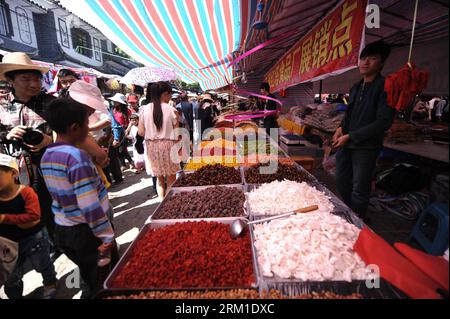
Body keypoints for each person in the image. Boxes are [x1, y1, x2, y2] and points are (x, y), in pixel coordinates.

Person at [41, 97, 116, 298]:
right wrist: (106, 236)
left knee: (90, 276)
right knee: (106, 281)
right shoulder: (76, 157)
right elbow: (89, 205)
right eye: (86, 125)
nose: (89, 129)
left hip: (64, 229)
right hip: (87, 233)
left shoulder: (47, 154)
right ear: (75, 127)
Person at [333, 40, 396, 220]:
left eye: (372, 58)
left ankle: (357, 221)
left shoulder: (385, 87)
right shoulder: (356, 87)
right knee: (341, 179)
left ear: (381, 63)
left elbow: (384, 122)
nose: (365, 62)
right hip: (347, 142)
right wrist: (340, 128)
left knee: (360, 188)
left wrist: (351, 135)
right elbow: (350, 114)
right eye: (363, 58)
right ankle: (352, 214)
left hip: (366, 147)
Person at [0, 52, 56, 244]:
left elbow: (73, 132)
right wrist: (7, 134)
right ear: (10, 80)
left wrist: (50, 140)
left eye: (36, 79)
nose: (34, 84)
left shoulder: (51, 104)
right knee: (29, 208)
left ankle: (57, 242)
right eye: (26, 79)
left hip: (51, 165)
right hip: (18, 169)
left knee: (53, 207)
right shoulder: (2, 106)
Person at [0, 153, 57, 299]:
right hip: (9, 244)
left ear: (13, 173)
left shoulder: (26, 192)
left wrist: (6, 218)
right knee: (12, 274)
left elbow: (34, 216)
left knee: (42, 263)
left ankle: (50, 283)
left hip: (34, 238)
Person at [138, 82, 180, 200]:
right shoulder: (172, 110)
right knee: (171, 180)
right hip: (168, 146)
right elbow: (176, 135)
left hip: (152, 147)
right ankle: (170, 207)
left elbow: (140, 132)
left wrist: (152, 132)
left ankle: (161, 206)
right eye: (170, 94)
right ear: (164, 94)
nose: (170, 97)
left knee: (160, 181)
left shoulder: (144, 109)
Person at [109, 93, 135, 172]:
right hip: (116, 131)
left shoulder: (127, 111)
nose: (114, 102)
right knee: (118, 149)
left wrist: (128, 129)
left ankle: (130, 162)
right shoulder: (113, 111)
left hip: (126, 131)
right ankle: (124, 164)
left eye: (116, 101)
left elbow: (131, 120)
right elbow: (114, 124)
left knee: (122, 149)